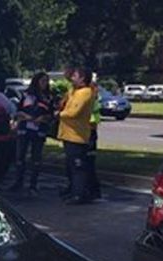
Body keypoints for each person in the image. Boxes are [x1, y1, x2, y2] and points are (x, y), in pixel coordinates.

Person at [8, 72, 54, 195]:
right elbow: (18, 112)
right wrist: (24, 116)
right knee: (20, 156)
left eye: (46, 81)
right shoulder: (26, 95)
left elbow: (51, 115)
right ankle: (18, 182)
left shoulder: (48, 97)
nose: (44, 84)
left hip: (39, 130)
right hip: (25, 129)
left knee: (36, 158)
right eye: (42, 81)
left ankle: (33, 184)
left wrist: (43, 118)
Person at [56, 67, 97, 204]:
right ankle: (74, 190)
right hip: (68, 134)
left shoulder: (85, 93)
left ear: (83, 78)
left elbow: (74, 112)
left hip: (77, 135)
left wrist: (59, 115)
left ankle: (79, 194)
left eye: (75, 75)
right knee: (70, 166)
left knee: (77, 166)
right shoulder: (74, 91)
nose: (72, 77)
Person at [85, 74, 102, 200]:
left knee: (89, 165)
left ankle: (93, 191)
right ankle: (89, 189)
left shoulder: (93, 101)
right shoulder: (92, 99)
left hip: (89, 134)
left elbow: (92, 121)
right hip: (87, 133)